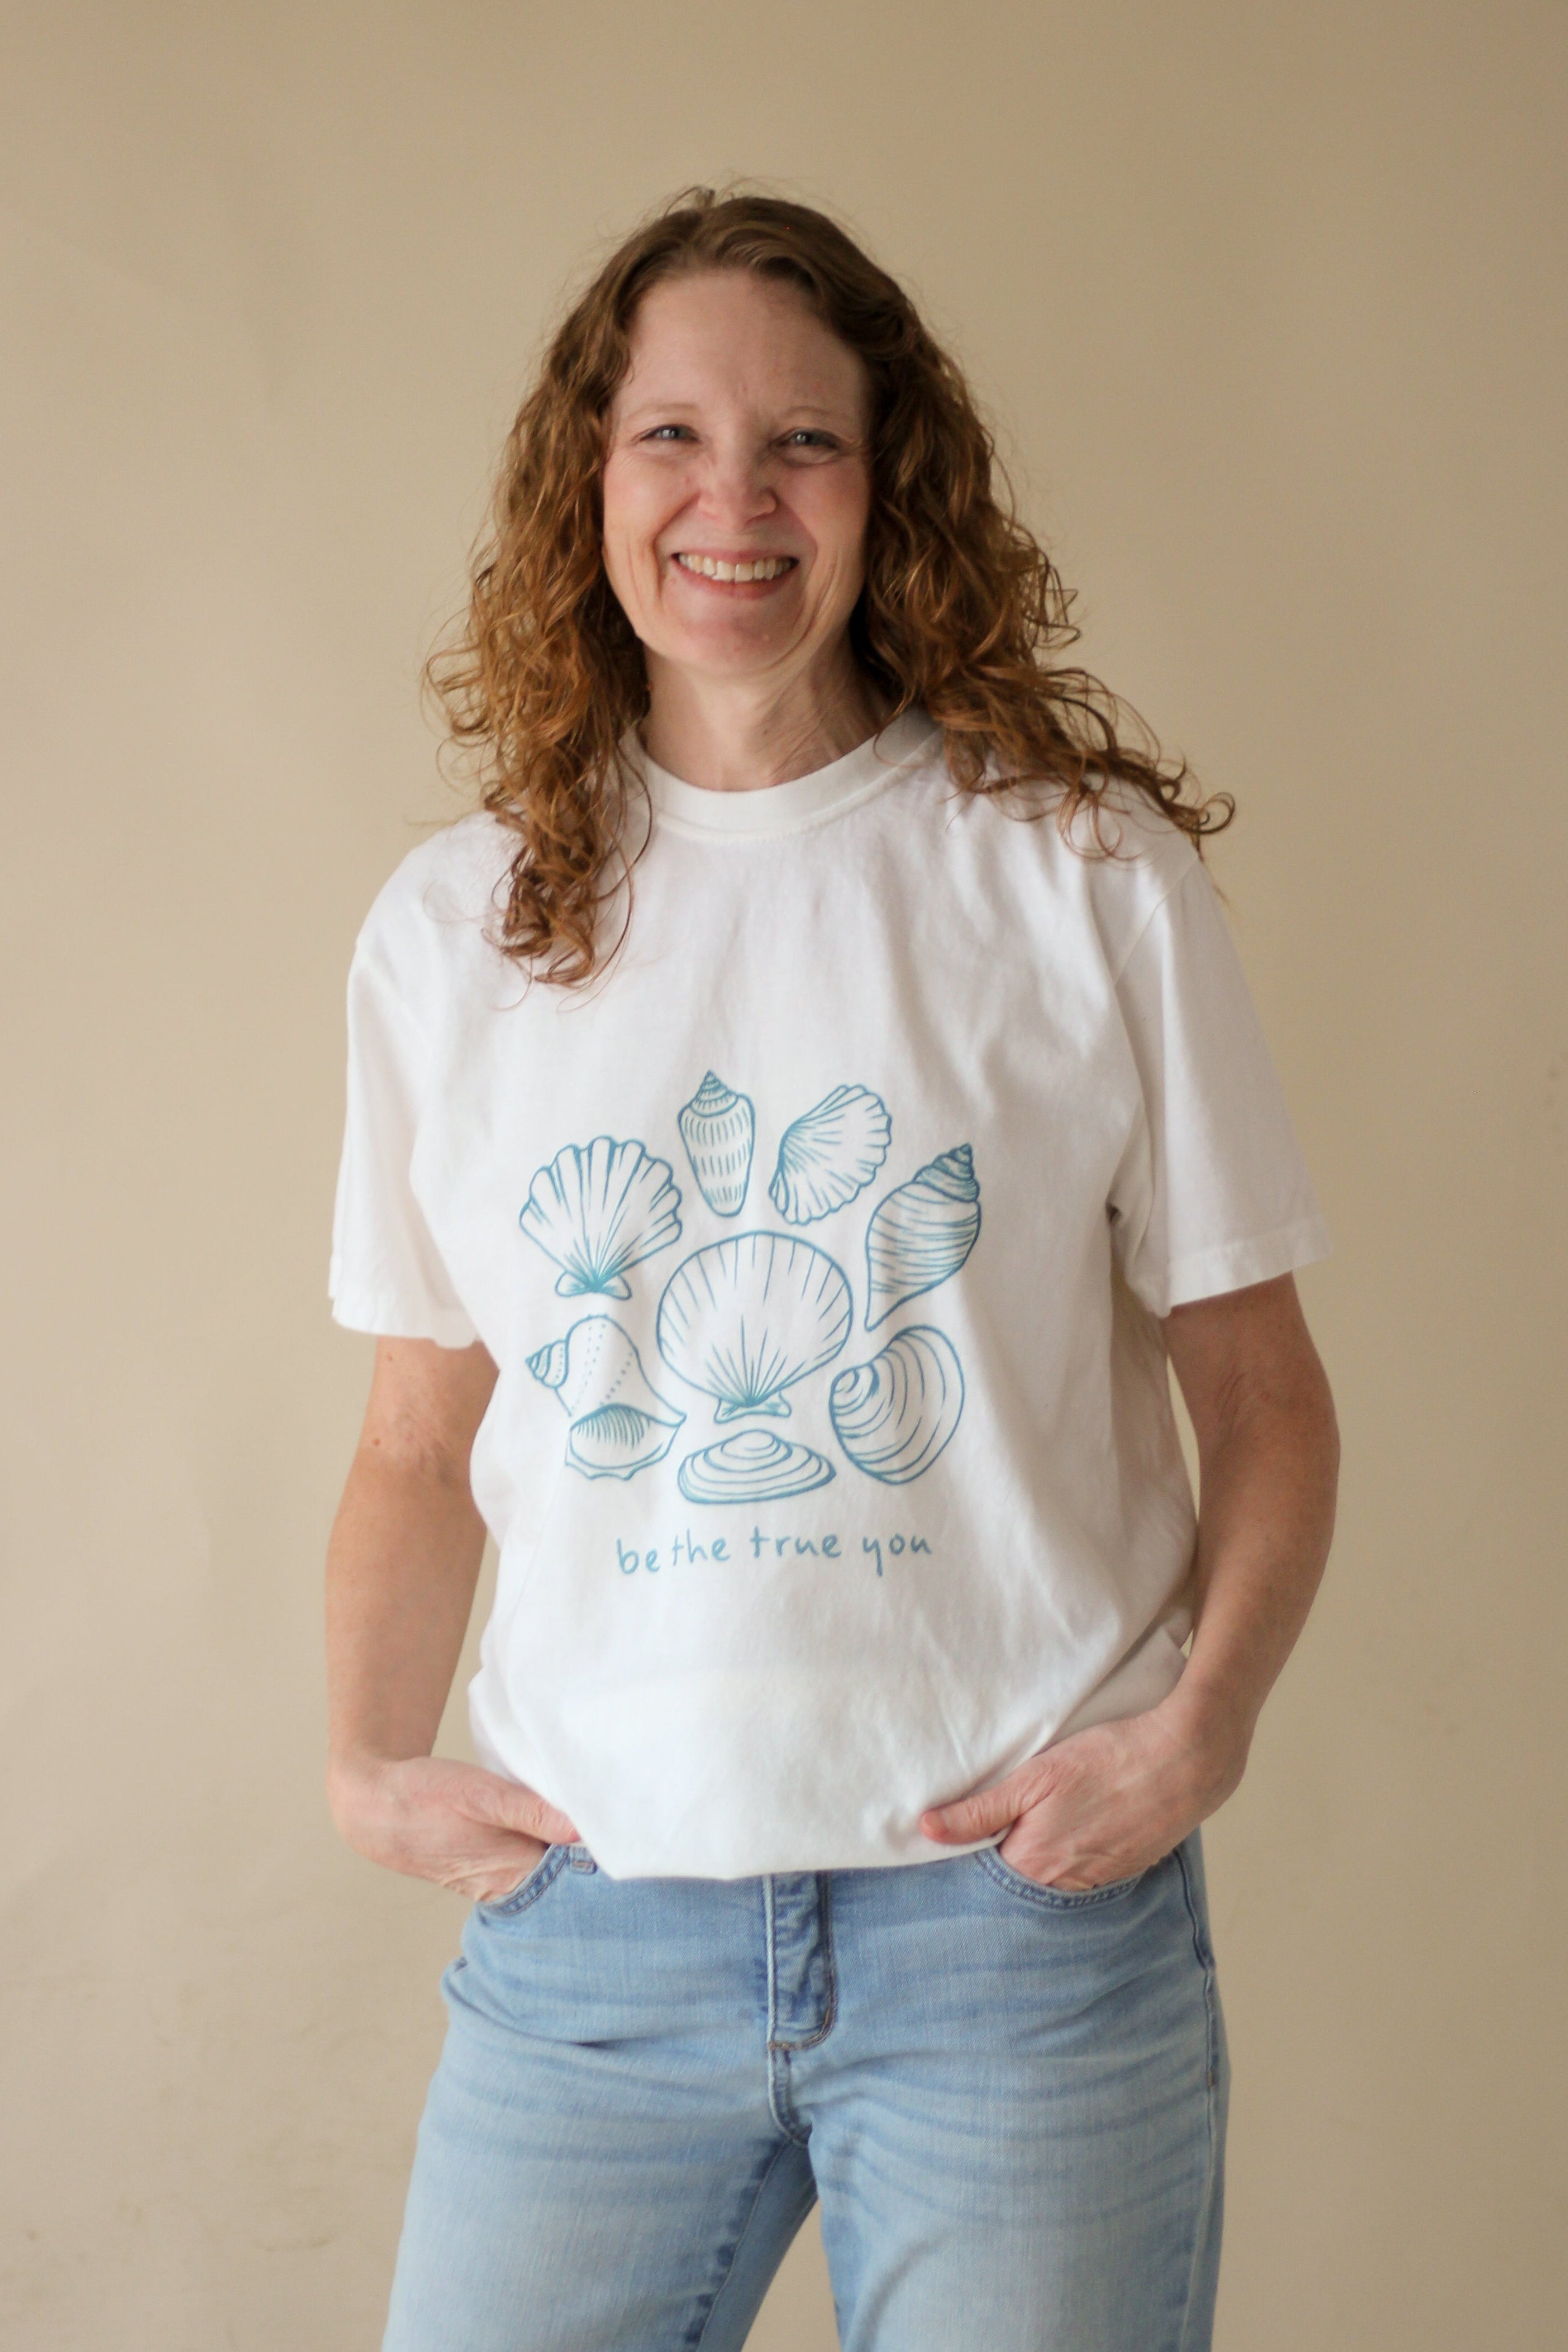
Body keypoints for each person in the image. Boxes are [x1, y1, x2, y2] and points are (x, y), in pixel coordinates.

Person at [325, 188, 1339, 2352]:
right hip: (595, 1934)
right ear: (588, 480)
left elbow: (1265, 1398)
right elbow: (419, 1441)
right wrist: (363, 1758)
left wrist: (1204, 1728)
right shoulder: (456, 934)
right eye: (671, 437)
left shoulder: (1079, 881)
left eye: (803, 444)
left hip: (1021, 1934)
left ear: (893, 496)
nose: (733, 500)